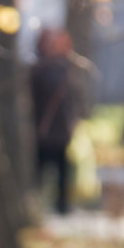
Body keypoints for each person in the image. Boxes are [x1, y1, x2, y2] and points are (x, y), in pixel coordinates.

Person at [31, 27, 85, 215]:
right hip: (44, 132)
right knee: (42, 171)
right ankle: (41, 207)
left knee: (60, 171)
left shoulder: (65, 69)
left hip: (58, 131)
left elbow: (74, 100)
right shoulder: (39, 70)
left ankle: (60, 207)